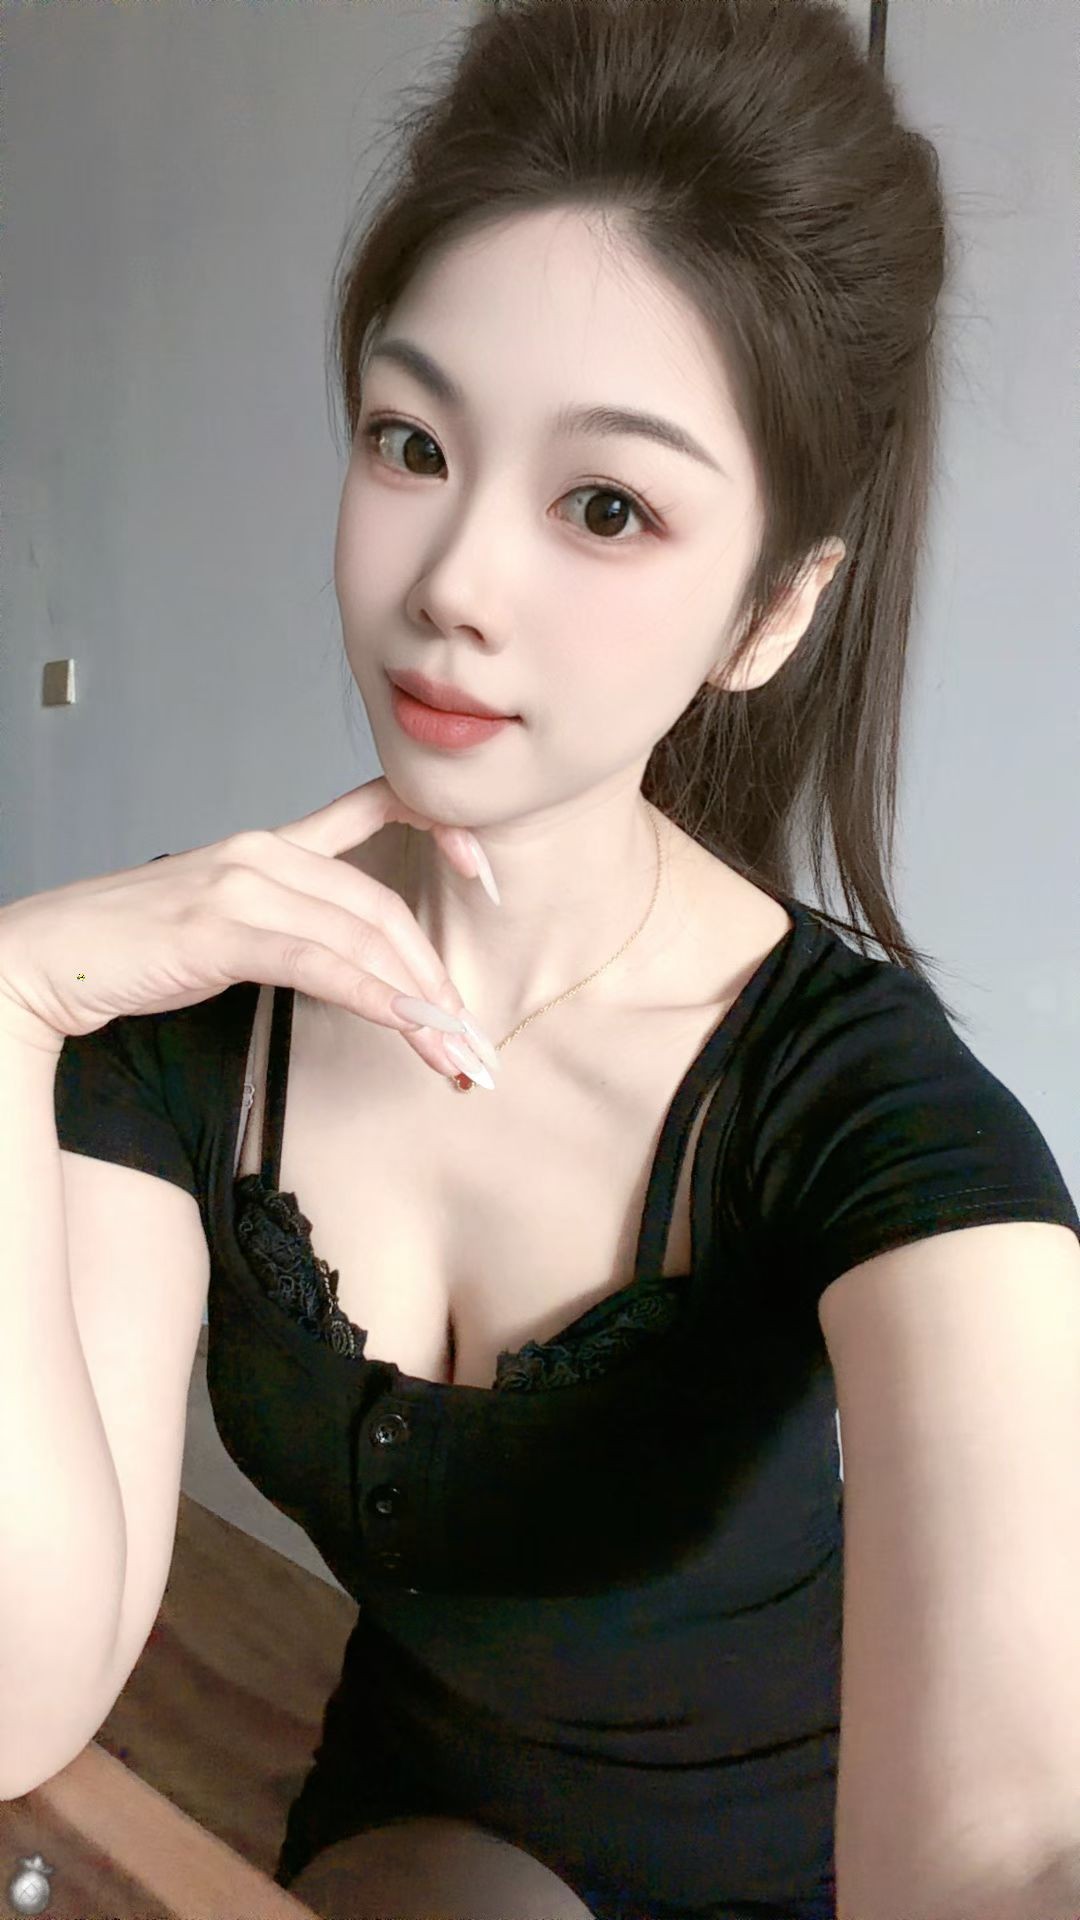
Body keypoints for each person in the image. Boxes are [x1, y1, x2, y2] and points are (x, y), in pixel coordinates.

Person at [2, 2, 1077, 1917]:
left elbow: (997, 1847)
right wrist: (3, 1005)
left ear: (773, 609)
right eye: (412, 443)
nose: (452, 585)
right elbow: (19, 1693)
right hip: (434, 1815)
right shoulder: (192, 1013)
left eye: (606, 506)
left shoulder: (869, 1108)